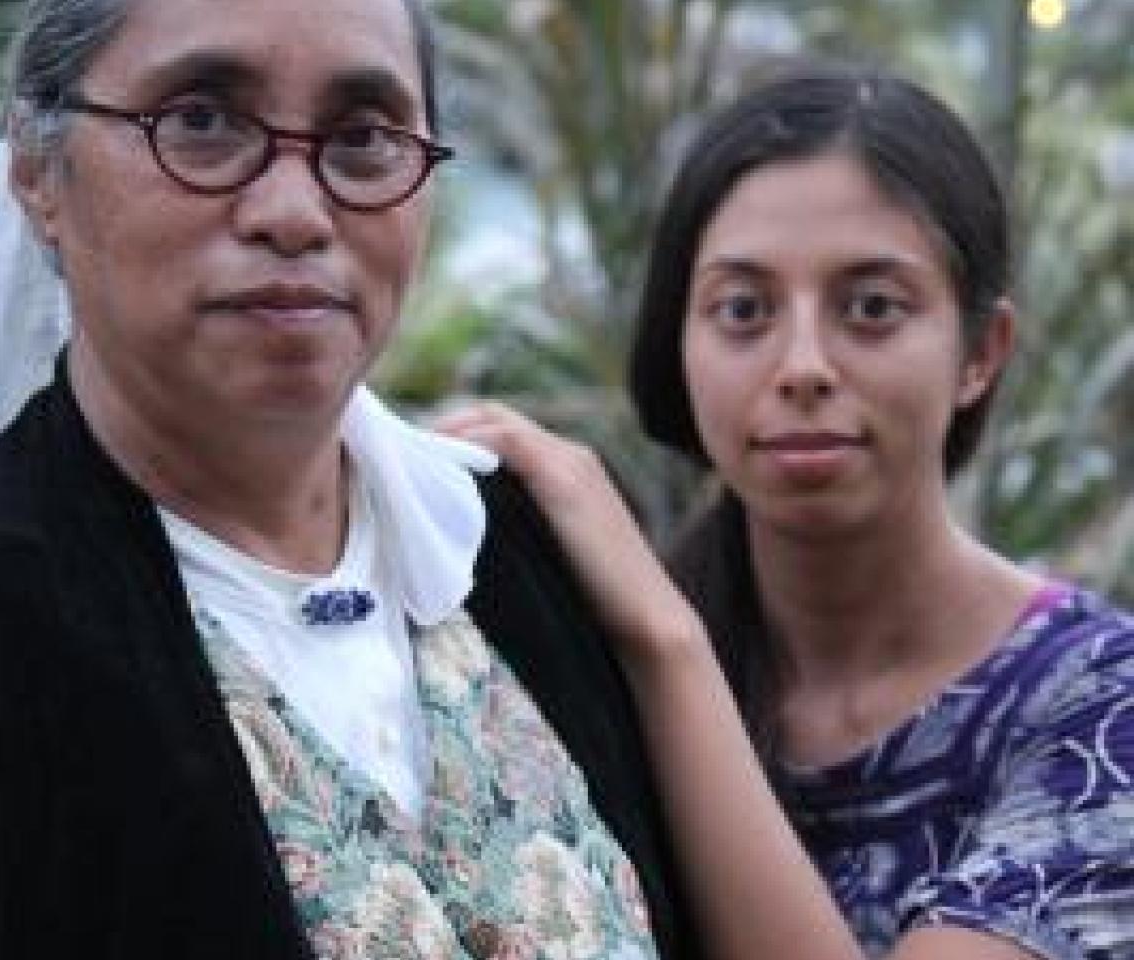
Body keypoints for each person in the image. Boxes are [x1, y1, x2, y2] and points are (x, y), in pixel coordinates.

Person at [0, 1, 698, 957]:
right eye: (202, 122)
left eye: (366, 138)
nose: (295, 214)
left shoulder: (508, 546)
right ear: (39, 171)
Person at [439, 66, 1134, 960]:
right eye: (742, 310)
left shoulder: (1101, 709)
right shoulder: (563, 670)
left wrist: (666, 645)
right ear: (679, 340)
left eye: (872, 308)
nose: (802, 363)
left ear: (981, 352)